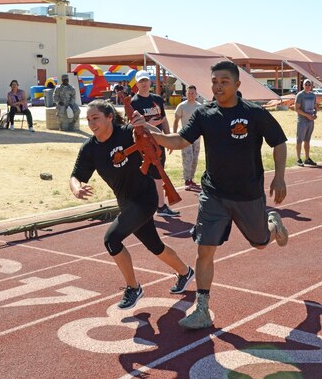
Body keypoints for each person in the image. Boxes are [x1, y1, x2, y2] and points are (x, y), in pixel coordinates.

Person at [136, 60, 288, 329]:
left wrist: (279, 177)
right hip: (213, 194)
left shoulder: (255, 113)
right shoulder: (205, 115)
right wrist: (151, 132)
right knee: (204, 250)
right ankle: (202, 308)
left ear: (237, 85)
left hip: (247, 194)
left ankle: (272, 225)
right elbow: (180, 141)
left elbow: (278, 142)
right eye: (215, 81)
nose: (217, 86)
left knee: (260, 244)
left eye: (224, 82)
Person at [70, 99, 195, 310]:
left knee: (112, 240)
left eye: (96, 118)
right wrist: (76, 188)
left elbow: (155, 139)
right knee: (155, 246)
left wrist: (144, 125)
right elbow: (76, 175)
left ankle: (133, 287)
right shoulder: (90, 148)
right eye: (88, 119)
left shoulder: (128, 132)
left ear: (110, 117)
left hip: (145, 198)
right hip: (126, 203)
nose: (91, 123)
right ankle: (185, 272)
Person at [130, 70, 179, 217]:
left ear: (150, 82)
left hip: (159, 142)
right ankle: (152, 205)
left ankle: (160, 206)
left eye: (146, 80)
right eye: (141, 81)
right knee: (145, 174)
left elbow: (163, 120)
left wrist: (169, 139)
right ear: (137, 83)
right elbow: (132, 125)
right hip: (144, 144)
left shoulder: (157, 99)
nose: (144, 84)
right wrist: (147, 124)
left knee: (159, 173)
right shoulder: (134, 102)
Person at [173, 85, 202, 190]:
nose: (191, 95)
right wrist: (174, 134)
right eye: (189, 93)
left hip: (197, 138)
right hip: (185, 138)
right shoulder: (182, 106)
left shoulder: (200, 107)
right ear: (186, 94)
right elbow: (176, 120)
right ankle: (187, 179)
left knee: (195, 159)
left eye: (193, 93)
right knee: (187, 159)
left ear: (196, 94)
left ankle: (191, 179)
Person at [294, 79, 317, 166]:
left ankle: (307, 158)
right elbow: (297, 109)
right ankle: (298, 159)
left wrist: (314, 114)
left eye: (309, 84)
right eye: (306, 84)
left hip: (310, 121)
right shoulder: (300, 95)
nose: (307, 86)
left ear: (311, 86)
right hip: (302, 121)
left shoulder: (313, 95)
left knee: (307, 140)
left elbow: (315, 107)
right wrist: (307, 116)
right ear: (303, 85)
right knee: (299, 140)